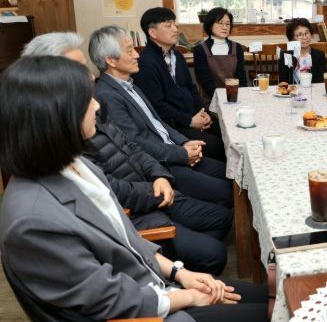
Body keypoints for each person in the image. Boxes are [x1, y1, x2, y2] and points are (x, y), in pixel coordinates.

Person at [0, 56, 268, 321]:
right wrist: (187, 297)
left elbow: (127, 240)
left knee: (269, 295)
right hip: (147, 311)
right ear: (54, 115)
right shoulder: (33, 221)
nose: (97, 105)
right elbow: (110, 300)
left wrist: (181, 273)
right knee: (272, 312)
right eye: (86, 99)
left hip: (156, 285)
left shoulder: (77, 165)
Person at [22, 32, 232, 275]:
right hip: (138, 209)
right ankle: (166, 267)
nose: (91, 76)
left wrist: (160, 175)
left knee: (222, 217)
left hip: (152, 186)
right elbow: (108, 189)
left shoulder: (94, 106)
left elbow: (133, 145)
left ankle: (176, 260)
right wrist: (157, 187)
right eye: (79, 69)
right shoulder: (67, 131)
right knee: (215, 250)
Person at [90, 25, 232, 208]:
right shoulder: (107, 95)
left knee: (233, 175)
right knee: (229, 194)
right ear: (111, 60)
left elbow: (158, 122)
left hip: (174, 151)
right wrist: (181, 154)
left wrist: (184, 142)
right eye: (130, 50)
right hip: (163, 165)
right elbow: (135, 143)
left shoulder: (130, 84)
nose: (137, 55)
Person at [133, 7, 226, 163]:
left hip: (193, 116)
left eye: (175, 24)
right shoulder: (146, 63)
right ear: (153, 32)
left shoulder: (177, 55)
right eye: (168, 25)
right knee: (217, 146)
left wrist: (203, 112)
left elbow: (191, 87)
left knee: (226, 129)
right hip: (173, 125)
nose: (176, 29)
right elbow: (157, 106)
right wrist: (190, 121)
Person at [193, 7, 247, 100]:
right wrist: (222, 100)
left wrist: (240, 98)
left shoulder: (237, 47)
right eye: (220, 23)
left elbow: (241, 78)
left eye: (227, 24)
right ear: (210, 25)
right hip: (211, 99)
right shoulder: (200, 49)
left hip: (235, 97)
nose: (225, 27)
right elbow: (206, 81)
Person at [278, 18, 325, 84]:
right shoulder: (285, 55)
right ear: (292, 38)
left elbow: (320, 82)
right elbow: (283, 82)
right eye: (299, 35)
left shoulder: (319, 55)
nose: (305, 37)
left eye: (307, 33)